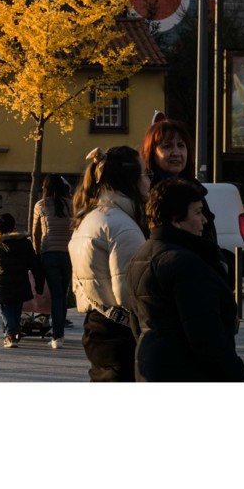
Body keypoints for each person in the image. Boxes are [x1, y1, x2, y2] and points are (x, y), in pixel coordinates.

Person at [125, 178, 244, 382]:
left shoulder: (140, 257)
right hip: (189, 371)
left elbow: (137, 325)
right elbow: (205, 337)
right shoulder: (187, 264)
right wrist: (234, 370)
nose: (205, 220)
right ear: (176, 219)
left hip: (150, 365)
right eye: (198, 212)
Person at [69, 146, 149, 381]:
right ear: (130, 179)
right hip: (122, 334)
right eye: (146, 174)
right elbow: (131, 295)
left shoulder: (90, 217)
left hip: (96, 326)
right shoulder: (122, 226)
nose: (149, 181)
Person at [139, 115, 221, 273]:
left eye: (181, 146)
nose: (176, 153)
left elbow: (209, 237)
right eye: (167, 146)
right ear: (152, 153)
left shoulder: (196, 191)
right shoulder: (147, 194)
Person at [0, 213, 45, 349]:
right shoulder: (25, 244)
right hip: (21, 284)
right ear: (14, 226)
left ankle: (11, 335)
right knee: (15, 310)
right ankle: (13, 334)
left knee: (7, 311)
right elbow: (35, 266)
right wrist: (39, 284)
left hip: (3, 287)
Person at [32, 174, 74, 349]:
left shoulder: (41, 205)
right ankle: (59, 334)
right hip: (69, 254)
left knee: (56, 295)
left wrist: (37, 252)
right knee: (61, 295)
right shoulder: (72, 205)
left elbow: (35, 232)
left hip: (49, 253)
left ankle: (57, 336)